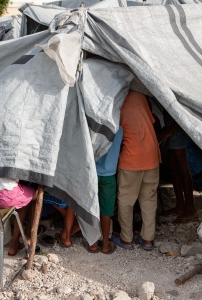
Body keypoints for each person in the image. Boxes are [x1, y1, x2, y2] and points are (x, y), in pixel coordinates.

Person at [113, 91, 161, 251]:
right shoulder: (140, 96)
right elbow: (151, 120)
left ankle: (126, 239)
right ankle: (148, 240)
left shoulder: (116, 99)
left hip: (131, 158)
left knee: (126, 200)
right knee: (149, 200)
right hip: (152, 156)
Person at [83, 126, 123, 254]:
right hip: (109, 175)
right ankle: (105, 244)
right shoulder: (119, 128)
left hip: (92, 174)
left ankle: (93, 243)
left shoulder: (94, 125)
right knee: (106, 211)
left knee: (91, 208)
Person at [158, 110, 197, 223]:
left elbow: (182, 114)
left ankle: (190, 209)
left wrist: (169, 131)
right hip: (171, 128)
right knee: (174, 167)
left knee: (182, 167)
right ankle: (180, 205)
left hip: (177, 129)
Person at [0, 177, 37, 256]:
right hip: (6, 198)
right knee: (35, 194)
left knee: (24, 197)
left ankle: (22, 239)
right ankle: (18, 241)